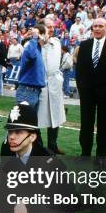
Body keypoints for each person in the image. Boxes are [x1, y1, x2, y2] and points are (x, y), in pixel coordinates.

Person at [0, 102, 73, 213]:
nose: (12, 137)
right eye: (10, 131)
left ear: (32, 137)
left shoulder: (46, 159)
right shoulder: (7, 149)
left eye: (18, 132)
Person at [75, 18, 106, 159]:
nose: (97, 29)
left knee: (104, 124)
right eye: (95, 26)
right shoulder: (84, 45)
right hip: (87, 92)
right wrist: (81, 87)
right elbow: (80, 69)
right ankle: (85, 153)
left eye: (100, 26)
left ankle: (101, 155)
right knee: (86, 123)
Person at [39, 17, 68, 155]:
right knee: (39, 116)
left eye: (52, 27)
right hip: (40, 83)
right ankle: (38, 147)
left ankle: (53, 145)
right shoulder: (36, 43)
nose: (51, 29)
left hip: (55, 83)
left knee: (55, 115)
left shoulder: (57, 42)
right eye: (48, 27)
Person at [16, 27, 47, 110]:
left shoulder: (37, 49)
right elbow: (31, 55)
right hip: (27, 90)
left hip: (34, 90)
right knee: (23, 120)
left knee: (31, 120)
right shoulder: (30, 47)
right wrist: (34, 38)